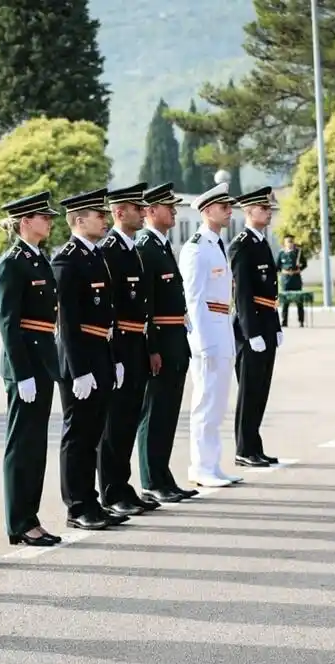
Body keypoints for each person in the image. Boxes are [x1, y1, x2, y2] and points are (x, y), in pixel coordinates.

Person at [0, 191, 64, 546]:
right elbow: (8, 323)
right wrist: (21, 372)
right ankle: (19, 521)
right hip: (25, 365)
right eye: (43, 216)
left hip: (42, 361)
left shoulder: (38, 258)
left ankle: (31, 517)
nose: (49, 221)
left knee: (36, 444)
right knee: (22, 444)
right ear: (25, 222)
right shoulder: (13, 262)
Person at [53, 188, 124, 530]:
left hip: (100, 354)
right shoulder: (67, 260)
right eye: (99, 215)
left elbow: (105, 315)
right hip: (80, 359)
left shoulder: (96, 256)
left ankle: (91, 500)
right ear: (79, 221)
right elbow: (66, 321)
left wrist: (114, 359)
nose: (105, 219)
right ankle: (77, 505)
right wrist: (79, 369)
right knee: (78, 433)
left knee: (94, 431)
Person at [95, 182, 159, 516]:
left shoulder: (132, 248)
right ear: (120, 212)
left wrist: (148, 347)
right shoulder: (109, 250)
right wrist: (116, 355)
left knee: (129, 418)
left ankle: (123, 484)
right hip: (119, 343)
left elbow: (141, 307)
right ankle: (110, 490)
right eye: (137, 208)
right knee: (114, 422)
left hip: (136, 343)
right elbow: (109, 308)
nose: (143, 212)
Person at [134, 183, 198, 504]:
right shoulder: (145, 247)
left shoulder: (161, 245)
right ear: (149, 211)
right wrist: (152, 347)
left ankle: (163, 475)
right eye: (167, 206)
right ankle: (150, 479)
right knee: (154, 412)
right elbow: (145, 305)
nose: (173, 211)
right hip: (161, 340)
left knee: (169, 412)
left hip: (175, 339)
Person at [179, 182, 242, 488]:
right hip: (207, 336)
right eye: (223, 207)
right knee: (205, 401)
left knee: (217, 403)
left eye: (229, 206)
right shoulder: (195, 248)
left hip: (222, 331)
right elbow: (192, 300)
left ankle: (212, 464)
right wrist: (200, 342)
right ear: (206, 211)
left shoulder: (216, 245)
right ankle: (200, 466)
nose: (229, 211)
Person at [228, 186, 283, 469]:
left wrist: (275, 326)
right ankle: (243, 448)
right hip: (251, 329)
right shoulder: (242, 244)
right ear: (249, 211)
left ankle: (254, 446)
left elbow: (269, 291)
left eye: (270, 208)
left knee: (261, 389)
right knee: (249, 390)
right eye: (264, 209)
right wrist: (252, 333)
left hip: (266, 322)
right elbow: (243, 294)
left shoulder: (261, 242)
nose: (269, 212)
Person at [276, 235, 308, 328]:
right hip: (286, 279)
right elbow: (277, 266)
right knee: (285, 302)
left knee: (299, 301)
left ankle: (301, 321)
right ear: (285, 243)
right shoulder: (281, 253)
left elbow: (305, 264)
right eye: (288, 242)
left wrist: (299, 269)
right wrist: (281, 272)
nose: (290, 243)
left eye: (291, 241)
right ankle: (284, 321)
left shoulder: (298, 253)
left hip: (296, 279)